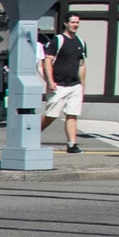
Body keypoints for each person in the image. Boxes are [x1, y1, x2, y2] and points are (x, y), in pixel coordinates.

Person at [40, 13, 86, 154]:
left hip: (74, 85)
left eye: (77, 22)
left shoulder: (81, 42)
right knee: (51, 115)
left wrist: (82, 86)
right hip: (59, 84)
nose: (75, 25)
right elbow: (47, 61)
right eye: (73, 22)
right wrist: (50, 81)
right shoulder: (58, 40)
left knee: (72, 114)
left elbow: (82, 65)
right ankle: (31, 134)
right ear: (66, 23)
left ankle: (72, 144)